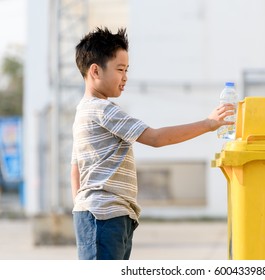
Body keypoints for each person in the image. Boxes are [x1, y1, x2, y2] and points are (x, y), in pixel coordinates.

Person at [71, 27, 234, 260]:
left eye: (127, 70)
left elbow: (75, 168)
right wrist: (209, 123)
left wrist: (81, 208)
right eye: (120, 69)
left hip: (106, 215)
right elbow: (155, 138)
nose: (125, 77)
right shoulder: (103, 110)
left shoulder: (83, 112)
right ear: (95, 70)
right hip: (104, 215)